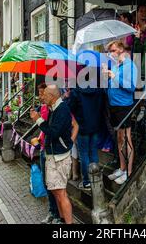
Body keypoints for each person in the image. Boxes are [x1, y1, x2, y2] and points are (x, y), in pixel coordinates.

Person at [30, 85, 74, 224]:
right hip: (53, 155)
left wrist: (38, 119)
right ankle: (61, 219)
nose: (42, 97)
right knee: (55, 191)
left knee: (61, 193)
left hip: (59, 157)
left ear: (53, 96)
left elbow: (54, 132)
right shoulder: (54, 109)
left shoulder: (62, 109)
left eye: (45, 95)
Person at [104, 40, 137, 185]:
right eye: (109, 51)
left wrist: (113, 77)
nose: (111, 54)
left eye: (113, 50)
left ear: (121, 50)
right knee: (119, 138)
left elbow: (131, 87)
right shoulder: (117, 66)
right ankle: (122, 168)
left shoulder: (130, 65)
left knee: (127, 139)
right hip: (114, 106)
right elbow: (113, 86)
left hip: (124, 106)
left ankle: (129, 173)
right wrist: (108, 78)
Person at [68, 84, 103, 189]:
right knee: (93, 152)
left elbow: (70, 107)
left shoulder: (76, 92)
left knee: (84, 154)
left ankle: (87, 181)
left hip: (82, 127)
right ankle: (96, 179)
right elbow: (101, 106)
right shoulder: (98, 89)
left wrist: (66, 98)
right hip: (95, 125)